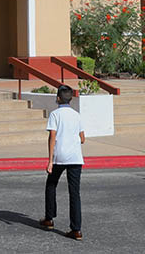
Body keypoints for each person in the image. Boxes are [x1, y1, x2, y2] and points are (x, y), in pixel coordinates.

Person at [40, 85, 85, 241]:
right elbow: (83, 138)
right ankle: (76, 229)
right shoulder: (76, 115)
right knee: (75, 193)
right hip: (76, 157)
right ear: (70, 99)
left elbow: (52, 137)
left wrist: (50, 160)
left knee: (51, 184)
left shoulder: (55, 114)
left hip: (60, 156)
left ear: (58, 98)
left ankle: (49, 218)